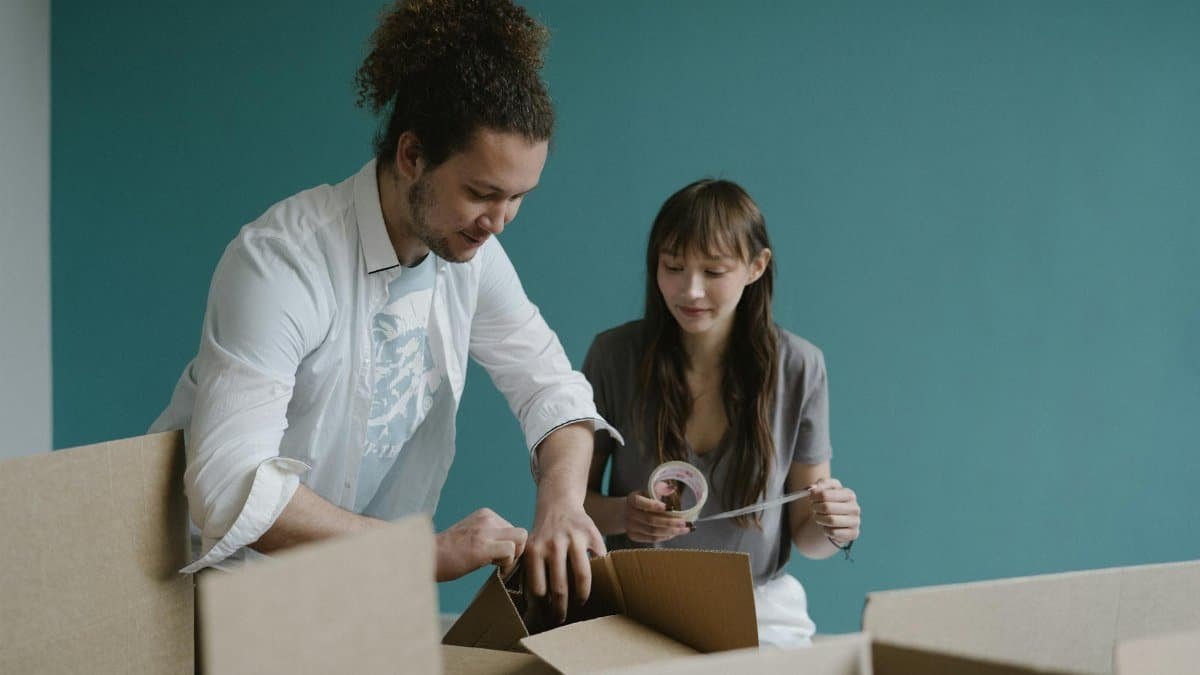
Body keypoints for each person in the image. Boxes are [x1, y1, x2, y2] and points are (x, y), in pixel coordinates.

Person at [151, 0, 618, 621]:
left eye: (517, 198)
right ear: (411, 156)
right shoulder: (282, 261)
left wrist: (563, 500)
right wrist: (422, 552)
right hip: (206, 598)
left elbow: (552, 388)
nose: (498, 223)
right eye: (481, 193)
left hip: (347, 596)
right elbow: (230, 489)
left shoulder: (470, 253)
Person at [581, 179, 862, 645]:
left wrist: (835, 525)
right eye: (673, 267)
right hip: (634, 604)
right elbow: (571, 505)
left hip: (757, 608)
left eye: (714, 272)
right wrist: (624, 517)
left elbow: (807, 537)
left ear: (756, 267)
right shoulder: (613, 355)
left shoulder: (799, 366)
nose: (690, 291)